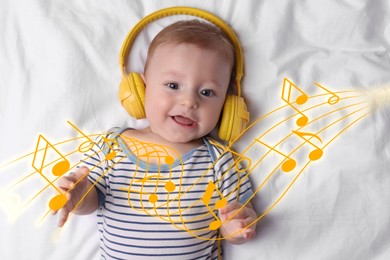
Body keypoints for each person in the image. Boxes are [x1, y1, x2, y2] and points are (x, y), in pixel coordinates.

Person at [53, 19, 256, 259]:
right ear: (141, 89)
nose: (189, 102)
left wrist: (237, 227)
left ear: (227, 105)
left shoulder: (219, 160)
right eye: (173, 85)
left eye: (207, 92)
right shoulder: (111, 147)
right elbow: (92, 201)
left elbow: (239, 215)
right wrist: (78, 197)